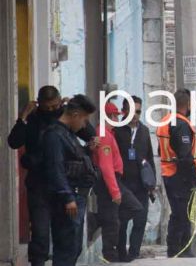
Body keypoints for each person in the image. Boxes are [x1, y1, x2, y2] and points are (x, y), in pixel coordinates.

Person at [7, 86, 96, 266]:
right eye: (46, 107)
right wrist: (23, 117)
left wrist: (72, 110)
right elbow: (14, 142)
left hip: (61, 185)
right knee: (40, 233)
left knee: (66, 238)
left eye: (54, 107)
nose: (50, 111)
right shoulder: (33, 119)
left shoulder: (66, 118)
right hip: (39, 183)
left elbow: (89, 134)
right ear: (38, 103)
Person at [41, 95, 98, 266]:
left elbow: (74, 159)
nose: (84, 125)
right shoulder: (54, 135)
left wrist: (88, 150)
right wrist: (67, 197)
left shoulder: (68, 134)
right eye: (84, 120)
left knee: (74, 247)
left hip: (76, 196)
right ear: (75, 115)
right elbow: (55, 169)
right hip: (67, 200)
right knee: (66, 247)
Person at [157, 89, 196, 257]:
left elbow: (163, 150)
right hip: (180, 176)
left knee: (178, 213)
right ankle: (180, 250)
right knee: (182, 215)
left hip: (169, 173)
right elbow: (185, 156)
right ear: (188, 105)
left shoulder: (165, 122)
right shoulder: (181, 125)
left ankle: (177, 249)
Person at [93, 102, 143, 262]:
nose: (117, 119)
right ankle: (109, 253)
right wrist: (115, 191)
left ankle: (104, 221)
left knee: (115, 218)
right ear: (110, 116)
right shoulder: (104, 135)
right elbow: (106, 166)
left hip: (113, 180)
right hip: (110, 181)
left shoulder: (107, 133)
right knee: (115, 219)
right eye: (116, 116)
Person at [113, 96, 155, 261]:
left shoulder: (144, 131)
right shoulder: (117, 130)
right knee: (122, 221)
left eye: (138, 111)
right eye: (132, 111)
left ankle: (134, 253)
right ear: (125, 111)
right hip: (123, 183)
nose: (135, 114)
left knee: (141, 219)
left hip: (141, 183)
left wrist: (152, 182)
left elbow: (150, 157)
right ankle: (121, 252)